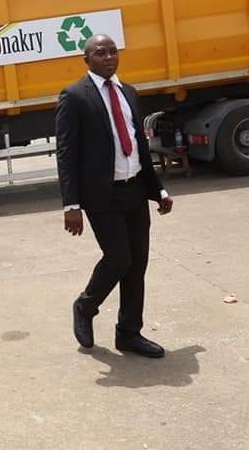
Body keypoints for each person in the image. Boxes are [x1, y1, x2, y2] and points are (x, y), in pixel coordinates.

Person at [55, 34, 174, 358]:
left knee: (137, 266)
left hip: (135, 189)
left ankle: (129, 334)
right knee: (119, 258)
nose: (108, 57)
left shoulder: (129, 93)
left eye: (112, 51)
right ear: (87, 60)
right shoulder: (75, 96)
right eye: (99, 53)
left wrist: (158, 189)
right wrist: (72, 204)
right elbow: (66, 154)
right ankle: (86, 305)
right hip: (101, 196)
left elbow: (139, 148)